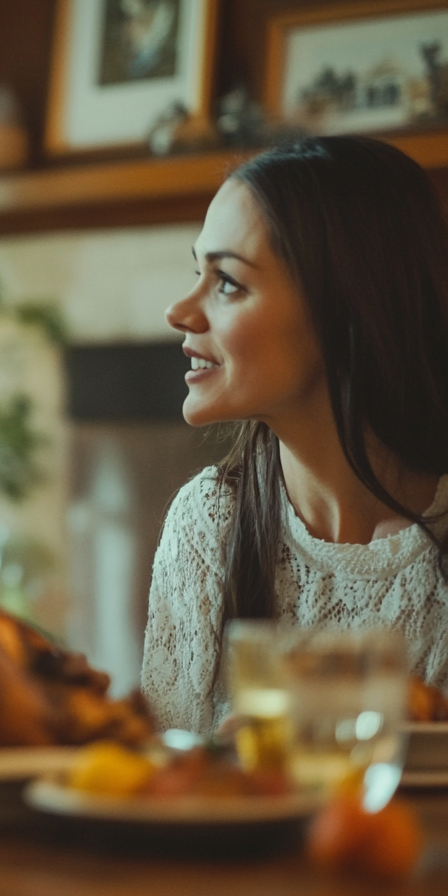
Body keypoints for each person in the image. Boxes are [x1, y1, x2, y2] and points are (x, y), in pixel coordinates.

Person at [140, 135, 448, 734]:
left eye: (227, 281)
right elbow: (166, 784)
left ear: (346, 308)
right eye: (196, 271)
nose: (180, 310)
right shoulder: (209, 521)